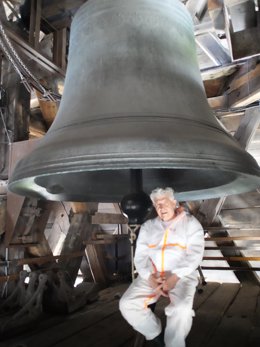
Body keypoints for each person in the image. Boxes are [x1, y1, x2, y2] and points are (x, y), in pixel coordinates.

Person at [119, 187, 205, 347]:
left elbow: (195, 254)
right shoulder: (148, 227)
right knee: (127, 304)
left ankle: (174, 344)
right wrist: (148, 277)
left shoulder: (191, 224)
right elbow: (141, 256)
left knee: (181, 310)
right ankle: (157, 336)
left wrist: (176, 276)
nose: (161, 208)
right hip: (153, 274)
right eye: (157, 205)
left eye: (164, 203)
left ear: (174, 203)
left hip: (182, 276)